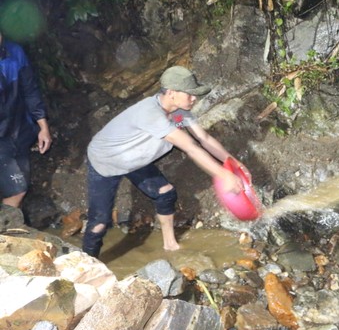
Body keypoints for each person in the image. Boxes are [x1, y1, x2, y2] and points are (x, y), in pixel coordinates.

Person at [83, 65, 248, 257]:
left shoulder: (179, 112)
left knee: (166, 194)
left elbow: (204, 139)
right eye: (189, 94)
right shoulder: (150, 113)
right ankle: (87, 265)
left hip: (135, 159)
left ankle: (170, 244)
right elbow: (191, 147)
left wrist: (235, 164)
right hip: (106, 162)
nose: (194, 98)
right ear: (171, 93)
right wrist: (224, 175)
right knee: (100, 223)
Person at [0, 30, 52, 208]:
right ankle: (5, 231)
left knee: (20, 183)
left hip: (19, 129)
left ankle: (11, 226)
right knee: (18, 189)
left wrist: (43, 127)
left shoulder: (15, 52)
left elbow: (30, 91)